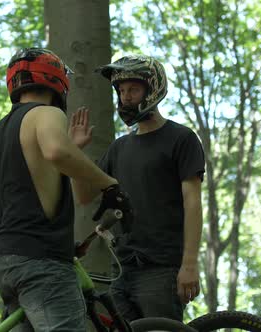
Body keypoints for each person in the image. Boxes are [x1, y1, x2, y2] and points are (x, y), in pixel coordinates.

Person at [0, 48, 133, 331]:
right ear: (57, 81)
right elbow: (56, 150)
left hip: (4, 265)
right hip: (41, 264)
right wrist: (109, 184)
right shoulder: (46, 112)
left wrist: (7, 246)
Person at [70, 54, 205, 322]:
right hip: (120, 269)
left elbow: (193, 204)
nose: (126, 96)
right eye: (121, 91)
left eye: (133, 89)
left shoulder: (182, 139)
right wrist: (74, 154)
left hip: (162, 269)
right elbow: (84, 197)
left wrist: (189, 264)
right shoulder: (118, 148)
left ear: (152, 88)